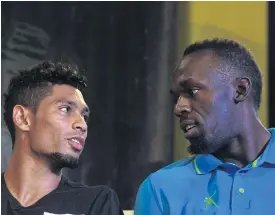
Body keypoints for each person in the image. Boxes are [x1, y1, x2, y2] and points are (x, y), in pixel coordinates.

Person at [134, 38, 275, 215]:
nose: (179, 108)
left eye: (192, 91)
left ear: (240, 89)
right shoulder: (161, 189)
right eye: (175, 99)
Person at [2, 61, 124, 215]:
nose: (82, 125)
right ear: (23, 118)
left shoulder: (97, 203)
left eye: (84, 116)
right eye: (65, 109)